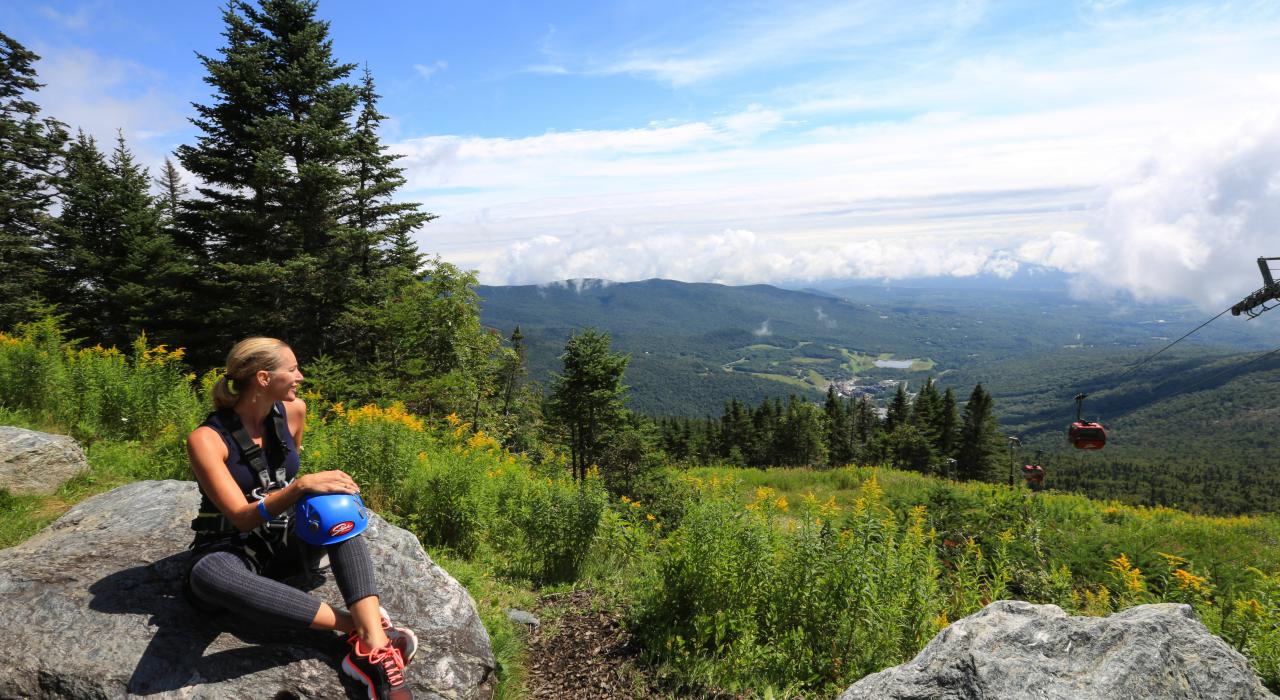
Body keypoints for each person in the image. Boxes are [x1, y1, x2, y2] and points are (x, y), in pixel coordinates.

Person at [183, 337, 414, 700]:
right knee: (209, 575)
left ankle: (372, 647)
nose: (300, 377)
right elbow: (241, 518)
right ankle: (362, 628)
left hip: (284, 541)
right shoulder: (207, 439)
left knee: (335, 507)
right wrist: (301, 486)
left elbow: (285, 473)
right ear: (263, 378)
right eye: (292, 369)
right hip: (230, 548)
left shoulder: (293, 412)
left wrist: (313, 493)